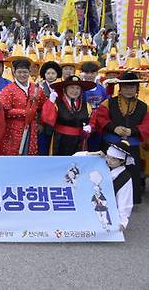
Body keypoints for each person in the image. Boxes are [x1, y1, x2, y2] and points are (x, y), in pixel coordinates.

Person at [90, 72, 149, 204]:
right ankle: (106, 199)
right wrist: (113, 128)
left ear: (137, 89)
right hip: (111, 143)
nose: (129, 90)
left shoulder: (143, 106)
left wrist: (132, 131)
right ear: (120, 88)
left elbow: (146, 124)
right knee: (108, 172)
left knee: (131, 173)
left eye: (132, 87)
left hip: (132, 145)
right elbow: (100, 118)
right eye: (126, 87)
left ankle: (130, 200)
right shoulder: (108, 103)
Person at [0, 57, 47, 156]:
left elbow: (43, 107)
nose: (22, 75)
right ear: (14, 73)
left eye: (25, 72)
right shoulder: (8, 90)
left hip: (32, 128)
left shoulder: (37, 89)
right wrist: (25, 113)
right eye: (19, 72)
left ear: (29, 72)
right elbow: (5, 110)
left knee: (30, 154)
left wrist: (40, 122)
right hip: (13, 129)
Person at [41, 75, 94, 156]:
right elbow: (47, 119)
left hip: (79, 141)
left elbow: (93, 120)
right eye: (71, 87)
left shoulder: (86, 105)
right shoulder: (57, 103)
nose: (74, 91)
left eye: (77, 88)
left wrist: (90, 127)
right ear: (65, 89)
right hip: (60, 140)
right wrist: (50, 102)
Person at [105, 141, 135, 229]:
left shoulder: (125, 178)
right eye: (108, 157)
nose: (109, 161)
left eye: (113, 159)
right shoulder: (103, 166)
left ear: (122, 161)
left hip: (109, 210)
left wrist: (123, 221)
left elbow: (124, 201)